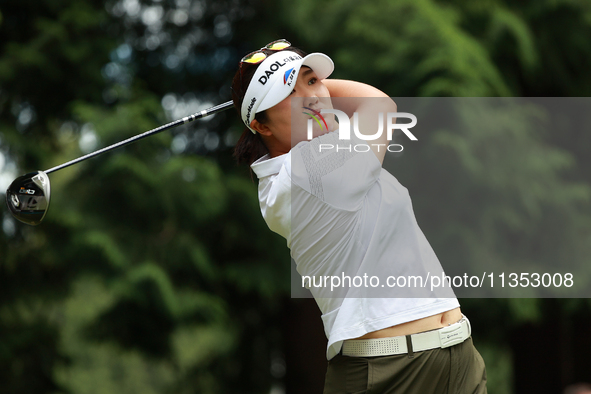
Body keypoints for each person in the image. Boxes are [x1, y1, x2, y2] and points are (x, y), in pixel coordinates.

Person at [231, 39, 487, 394]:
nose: (312, 97)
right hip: (389, 372)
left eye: (312, 80)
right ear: (262, 127)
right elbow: (379, 104)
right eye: (288, 94)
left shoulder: (307, 162)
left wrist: (295, 87)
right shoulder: (307, 170)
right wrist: (309, 86)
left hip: (457, 354)